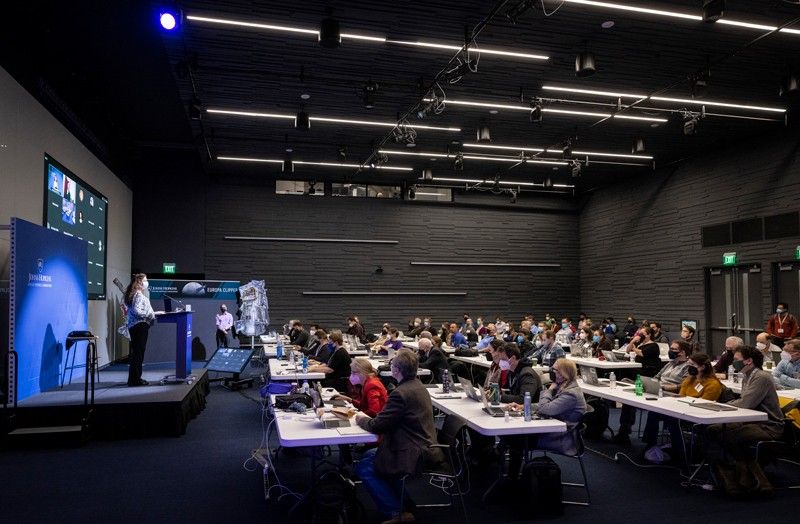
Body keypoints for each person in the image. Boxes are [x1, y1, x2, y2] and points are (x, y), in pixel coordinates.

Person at [355, 351, 442, 524]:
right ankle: (405, 505)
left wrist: (360, 418)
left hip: (414, 451)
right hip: (424, 445)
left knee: (364, 467)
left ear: (396, 370)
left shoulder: (400, 393)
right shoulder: (418, 386)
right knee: (369, 456)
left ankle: (396, 512)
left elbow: (377, 425)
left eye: (392, 365)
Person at [706, 346, 784, 482]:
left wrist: (722, 405)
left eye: (736, 359)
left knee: (726, 435)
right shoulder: (747, 376)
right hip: (751, 421)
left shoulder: (761, 377)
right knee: (712, 430)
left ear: (748, 361)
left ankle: (747, 469)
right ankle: (739, 466)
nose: (733, 362)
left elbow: (745, 404)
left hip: (768, 426)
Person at [505, 358, 587, 478]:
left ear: (563, 373)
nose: (551, 371)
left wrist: (548, 390)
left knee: (516, 439)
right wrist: (523, 406)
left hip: (561, 438)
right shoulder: (564, 386)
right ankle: (513, 475)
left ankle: (512, 479)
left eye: (554, 369)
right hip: (553, 430)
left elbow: (545, 408)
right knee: (514, 437)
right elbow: (548, 406)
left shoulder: (571, 394)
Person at [642, 353, 722, 462]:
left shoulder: (713, 384)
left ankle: (679, 452)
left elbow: (705, 404)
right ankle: (650, 444)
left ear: (702, 367)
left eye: (692, 364)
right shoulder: (690, 379)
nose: (689, 367)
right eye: (689, 364)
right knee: (653, 413)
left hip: (697, 414)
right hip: (682, 409)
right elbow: (681, 395)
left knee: (673, 421)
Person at [124, 273, 156, 387]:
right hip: (139, 326)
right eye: (145, 280)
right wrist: (148, 315)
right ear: (140, 282)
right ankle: (135, 380)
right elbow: (137, 311)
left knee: (137, 353)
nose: (147, 282)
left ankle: (135, 378)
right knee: (138, 354)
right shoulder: (137, 295)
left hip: (136, 326)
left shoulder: (135, 294)